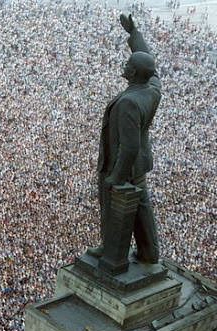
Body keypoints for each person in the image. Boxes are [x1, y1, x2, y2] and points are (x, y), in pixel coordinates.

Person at [88, 14, 161, 274]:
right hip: (139, 166)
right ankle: (149, 251)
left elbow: (128, 147)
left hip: (123, 166)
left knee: (113, 208)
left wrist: (115, 178)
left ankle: (110, 251)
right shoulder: (151, 88)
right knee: (141, 204)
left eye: (129, 64)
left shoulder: (129, 103)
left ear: (135, 73)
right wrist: (134, 33)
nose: (125, 65)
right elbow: (148, 59)